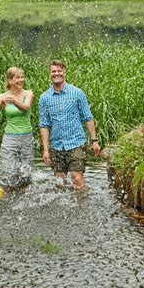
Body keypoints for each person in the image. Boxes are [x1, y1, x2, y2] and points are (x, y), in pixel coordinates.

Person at [38, 60, 101, 190]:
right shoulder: (44, 97)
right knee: (60, 183)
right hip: (56, 145)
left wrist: (94, 141)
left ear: (64, 72)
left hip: (76, 142)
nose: (57, 74)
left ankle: (81, 206)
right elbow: (44, 125)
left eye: (59, 71)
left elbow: (88, 118)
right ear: (49, 74)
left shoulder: (77, 93)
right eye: (53, 71)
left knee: (77, 178)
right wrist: (45, 150)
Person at [0, 67, 34, 188]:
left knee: (26, 173)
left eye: (22, 77)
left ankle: (24, 197)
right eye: (18, 78)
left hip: (27, 137)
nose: (21, 80)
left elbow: (25, 108)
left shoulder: (28, 93)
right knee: (8, 173)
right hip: (10, 139)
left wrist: (14, 101)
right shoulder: (2, 97)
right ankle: (7, 200)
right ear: (10, 81)